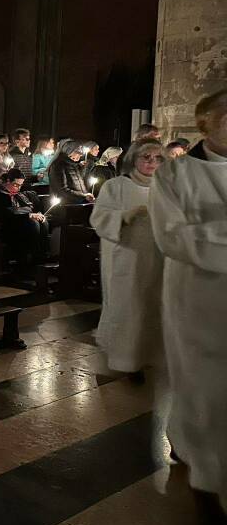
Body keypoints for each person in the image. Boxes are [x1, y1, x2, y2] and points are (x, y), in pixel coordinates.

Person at [149, 89, 227, 509]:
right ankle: (198, 455)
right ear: (207, 123)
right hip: (197, 292)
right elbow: (172, 236)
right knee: (201, 378)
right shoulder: (174, 176)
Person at [89, 140, 164, 377]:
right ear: (134, 159)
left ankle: (149, 355)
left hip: (156, 256)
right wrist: (124, 216)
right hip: (125, 256)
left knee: (151, 305)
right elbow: (99, 218)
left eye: (157, 158)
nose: (151, 162)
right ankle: (123, 359)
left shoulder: (166, 187)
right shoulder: (116, 186)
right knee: (127, 306)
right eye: (146, 157)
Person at [0, 169, 50, 271]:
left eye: (20, 185)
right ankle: (26, 261)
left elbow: (27, 208)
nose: (18, 188)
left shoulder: (18, 194)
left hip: (20, 223)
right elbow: (3, 215)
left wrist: (37, 214)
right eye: (16, 185)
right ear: (8, 181)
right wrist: (28, 216)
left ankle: (39, 259)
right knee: (33, 224)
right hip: (7, 227)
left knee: (43, 222)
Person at [47, 138, 95, 206]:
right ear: (69, 152)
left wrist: (85, 196)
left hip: (77, 203)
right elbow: (62, 190)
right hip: (65, 206)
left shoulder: (73, 165)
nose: (81, 155)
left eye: (81, 153)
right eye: (78, 153)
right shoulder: (58, 166)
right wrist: (83, 196)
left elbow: (78, 184)